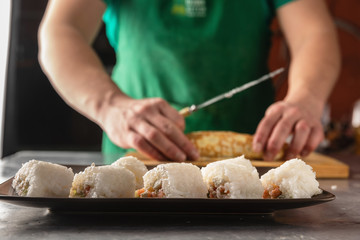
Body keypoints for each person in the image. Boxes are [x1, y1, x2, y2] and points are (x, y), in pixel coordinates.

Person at [38, 0, 340, 162]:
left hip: (254, 164)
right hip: (135, 158)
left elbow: (314, 34)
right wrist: (110, 106)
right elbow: (62, 30)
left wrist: (306, 98)